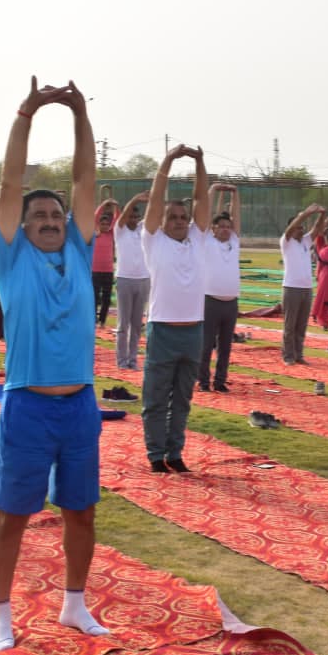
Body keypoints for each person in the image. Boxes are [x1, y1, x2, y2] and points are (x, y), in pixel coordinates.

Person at [0, 77, 107, 650]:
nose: (49, 221)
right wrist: (26, 115)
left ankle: (74, 606)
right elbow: (11, 181)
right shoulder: (12, 259)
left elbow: (85, 180)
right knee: (12, 516)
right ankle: (2, 618)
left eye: (55, 215)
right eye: (37, 216)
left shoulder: (80, 253)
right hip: (28, 405)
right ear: (22, 225)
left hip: (81, 404)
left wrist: (81, 112)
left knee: (80, 512)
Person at [140, 145, 211, 471]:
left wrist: (199, 163)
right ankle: (156, 455)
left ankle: (175, 453)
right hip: (163, 331)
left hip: (193, 330)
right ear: (162, 221)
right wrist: (167, 161)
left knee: (182, 399)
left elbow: (202, 200)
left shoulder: (198, 239)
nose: (181, 221)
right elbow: (156, 200)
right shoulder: (153, 241)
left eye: (184, 217)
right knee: (156, 399)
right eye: (174, 217)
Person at [198, 183, 241, 393]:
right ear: (213, 229)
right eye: (221, 226)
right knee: (206, 345)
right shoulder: (207, 240)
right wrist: (213, 189)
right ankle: (204, 380)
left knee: (225, 347)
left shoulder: (234, 241)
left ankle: (220, 381)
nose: (225, 229)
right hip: (210, 300)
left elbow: (237, 217)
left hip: (230, 302)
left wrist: (235, 194)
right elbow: (204, 213)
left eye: (228, 226)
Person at [280, 203, 326, 365]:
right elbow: (292, 227)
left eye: (302, 228)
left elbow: (316, 228)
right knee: (290, 325)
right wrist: (306, 213)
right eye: (298, 227)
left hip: (306, 289)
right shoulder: (286, 241)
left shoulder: (305, 242)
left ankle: (298, 355)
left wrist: (321, 214)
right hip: (291, 288)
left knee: (301, 325)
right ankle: (288, 356)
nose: (301, 230)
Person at [113, 193, 150, 370]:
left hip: (143, 280)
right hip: (125, 280)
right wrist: (135, 199)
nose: (133, 219)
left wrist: (153, 200)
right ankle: (122, 361)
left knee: (136, 325)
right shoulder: (119, 230)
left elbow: (153, 216)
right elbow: (123, 216)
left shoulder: (142, 230)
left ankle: (133, 360)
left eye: (136, 216)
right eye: (130, 216)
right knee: (123, 325)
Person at [90, 199, 116, 327]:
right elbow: (95, 217)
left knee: (106, 297)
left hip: (108, 271)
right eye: (103, 224)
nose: (105, 226)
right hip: (95, 270)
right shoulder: (96, 234)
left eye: (107, 224)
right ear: (99, 225)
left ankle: (102, 321)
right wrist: (103, 205)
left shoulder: (111, 234)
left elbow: (117, 219)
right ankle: (94, 319)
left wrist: (116, 207)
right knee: (94, 296)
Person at [311, 217, 328, 332]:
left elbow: (318, 234)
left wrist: (326, 220)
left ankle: (324, 323)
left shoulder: (324, 249)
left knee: (324, 300)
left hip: (326, 277)